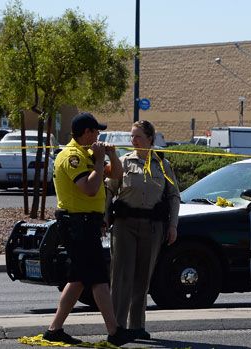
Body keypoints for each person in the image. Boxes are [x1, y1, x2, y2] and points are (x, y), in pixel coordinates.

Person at [44, 112, 133, 347]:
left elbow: (116, 175)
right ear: (87, 133)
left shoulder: (87, 154)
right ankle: (114, 331)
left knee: (79, 279)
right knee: (97, 278)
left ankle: (55, 329)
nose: (99, 135)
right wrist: (98, 159)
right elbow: (90, 188)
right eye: (96, 131)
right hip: (76, 224)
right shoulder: (72, 157)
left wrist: (112, 156)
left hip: (87, 223)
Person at [106, 120, 180, 340]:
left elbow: (173, 196)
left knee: (143, 276)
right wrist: (104, 217)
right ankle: (117, 327)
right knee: (121, 276)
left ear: (150, 139)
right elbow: (110, 191)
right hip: (125, 224)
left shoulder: (162, 165)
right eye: (132, 136)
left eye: (138, 136)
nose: (133, 141)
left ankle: (137, 325)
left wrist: (173, 225)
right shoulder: (124, 162)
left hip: (153, 225)